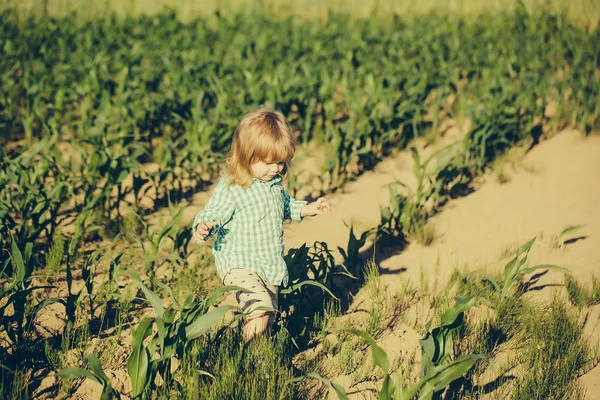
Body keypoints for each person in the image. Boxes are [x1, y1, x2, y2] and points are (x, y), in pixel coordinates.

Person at [192, 108, 331, 342]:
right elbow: (213, 212)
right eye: (269, 162)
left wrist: (309, 209)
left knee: (268, 318)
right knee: (260, 310)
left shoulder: (273, 184)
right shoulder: (233, 187)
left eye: (281, 162)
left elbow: (285, 206)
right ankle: (249, 361)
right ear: (247, 156)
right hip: (240, 263)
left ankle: (259, 355)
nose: (276, 168)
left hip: (269, 264)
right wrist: (205, 225)